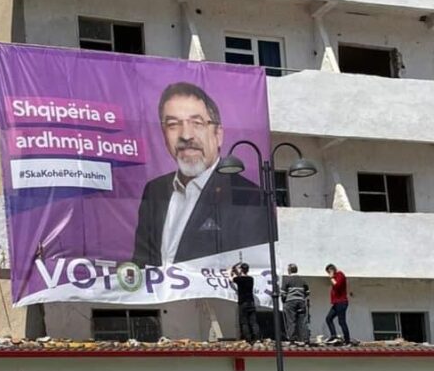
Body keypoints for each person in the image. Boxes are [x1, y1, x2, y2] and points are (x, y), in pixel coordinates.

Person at [132, 82, 268, 267]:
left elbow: (254, 269)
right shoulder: (155, 190)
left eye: (197, 123)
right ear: (164, 135)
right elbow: (141, 264)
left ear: (218, 134)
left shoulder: (249, 197)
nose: (186, 135)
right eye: (173, 125)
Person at [281, 263, 310, 344]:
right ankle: (305, 339)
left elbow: (283, 293)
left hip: (290, 302)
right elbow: (308, 292)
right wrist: (302, 297)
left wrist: (284, 301)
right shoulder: (302, 280)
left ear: (289, 271)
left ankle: (292, 339)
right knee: (303, 321)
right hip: (301, 302)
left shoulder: (287, 280)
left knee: (291, 321)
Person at [231, 262, 260, 343]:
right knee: (253, 322)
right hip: (251, 302)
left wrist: (232, 271)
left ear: (241, 270)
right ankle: (257, 338)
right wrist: (237, 271)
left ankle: (248, 339)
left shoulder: (239, 279)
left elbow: (231, 279)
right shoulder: (251, 279)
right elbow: (240, 277)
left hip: (243, 302)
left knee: (244, 322)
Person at [325, 263, 350, 345]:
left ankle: (347, 341)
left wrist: (331, 278)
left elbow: (337, 286)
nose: (328, 274)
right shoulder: (336, 277)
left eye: (329, 272)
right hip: (336, 303)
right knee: (329, 318)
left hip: (341, 302)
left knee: (342, 322)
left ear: (332, 270)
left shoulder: (340, 275)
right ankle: (333, 336)